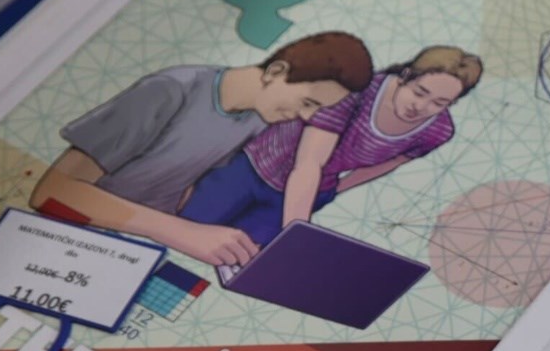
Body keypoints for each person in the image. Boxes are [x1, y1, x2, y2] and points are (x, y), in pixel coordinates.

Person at [31, 33, 374, 271]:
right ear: (276, 72)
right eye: (308, 102)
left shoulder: (258, 119)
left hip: (142, 249)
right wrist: (180, 232)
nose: (307, 118)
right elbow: (53, 192)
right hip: (72, 243)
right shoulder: (171, 89)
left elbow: (184, 183)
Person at [181, 46, 481, 248]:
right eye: (419, 92)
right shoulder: (358, 92)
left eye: (439, 103)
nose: (422, 107)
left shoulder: (438, 131)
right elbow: (309, 163)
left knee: (240, 256)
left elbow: (391, 162)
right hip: (254, 169)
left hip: (311, 191)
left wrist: (336, 190)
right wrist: (297, 230)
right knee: (189, 229)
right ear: (405, 77)